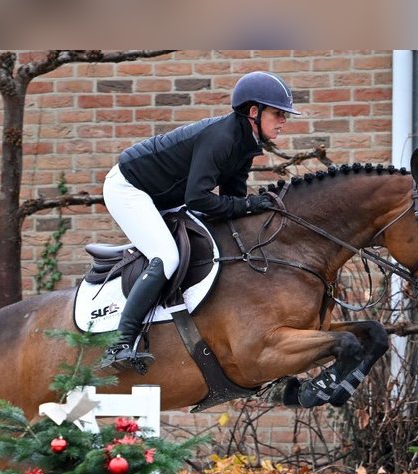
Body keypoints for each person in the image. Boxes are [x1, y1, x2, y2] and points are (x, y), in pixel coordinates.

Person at [96, 71, 300, 372]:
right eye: (278, 113)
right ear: (253, 112)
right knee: (166, 256)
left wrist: (255, 210)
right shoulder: (222, 137)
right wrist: (249, 204)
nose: (283, 120)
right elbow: (199, 200)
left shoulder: (244, 143)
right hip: (130, 188)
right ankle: (120, 343)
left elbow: (232, 201)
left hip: (165, 195)